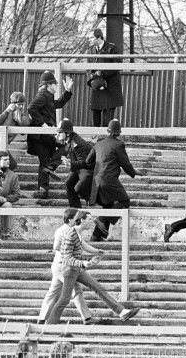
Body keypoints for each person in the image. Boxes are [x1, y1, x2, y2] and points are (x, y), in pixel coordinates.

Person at [45, 210, 140, 324]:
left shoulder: (78, 233)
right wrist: (83, 263)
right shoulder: (71, 234)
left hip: (76, 269)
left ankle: (122, 312)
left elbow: (80, 250)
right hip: (69, 270)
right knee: (64, 299)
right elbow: (67, 257)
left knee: (98, 288)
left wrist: (93, 257)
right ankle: (50, 323)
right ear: (82, 220)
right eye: (89, 219)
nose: (92, 222)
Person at [37, 208, 101, 325]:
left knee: (54, 291)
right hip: (63, 265)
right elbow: (56, 246)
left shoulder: (75, 231)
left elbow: (84, 245)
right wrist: (68, 248)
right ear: (71, 219)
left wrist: (97, 251)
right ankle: (86, 318)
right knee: (76, 289)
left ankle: (42, 318)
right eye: (77, 216)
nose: (79, 218)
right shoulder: (62, 231)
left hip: (65, 266)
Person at [85, 119, 138, 241]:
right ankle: (101, 219)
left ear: (107, 131)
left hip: (97, 181)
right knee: (124, 202)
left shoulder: (98, 143)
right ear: (118, 133)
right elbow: (125, 164)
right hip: (109, 180)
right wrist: (133, 173)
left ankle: (97, 235)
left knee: (108, 205)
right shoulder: (119, 145)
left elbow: (88, 161)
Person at [27, 71, 74, 199]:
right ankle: (44, 186)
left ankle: (44, 186)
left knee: (47, 160)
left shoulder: (47, 95)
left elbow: (57, 104)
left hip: (45, 135)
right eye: (55, 84)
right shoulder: (43, 95)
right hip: (41, 136)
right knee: (67, 145)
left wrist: (67, 92)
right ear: (49, 85)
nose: (56, 86)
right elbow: (31, 108)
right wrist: (43, 124)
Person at [87, 28, 124, 127]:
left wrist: (102, 73)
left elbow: (118, 65)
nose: (89, 40)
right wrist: (91, 79)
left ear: (99, 37)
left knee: (108, 116)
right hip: (97, 87)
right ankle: (96, 138)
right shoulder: (90, 50)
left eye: (91, 37)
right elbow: (88, 68)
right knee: (95, 112)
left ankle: (106, 139)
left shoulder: (112, 48)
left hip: (110, 87)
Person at [57, 119, 93, 208]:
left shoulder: (76, 143)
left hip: (89, 169)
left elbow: (84, 163)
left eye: (60, 132)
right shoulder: (70, 140)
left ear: (67, 133)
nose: (57, 134)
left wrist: (70, 163)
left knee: (80, 188)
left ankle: (94, 200)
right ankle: (75, 209)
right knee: (69, 183)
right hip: (80, 167)